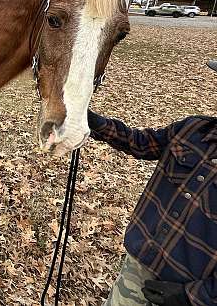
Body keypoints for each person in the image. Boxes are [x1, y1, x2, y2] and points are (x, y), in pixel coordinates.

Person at [88, 60, 217, 306]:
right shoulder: (193, 129)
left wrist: (191, 297)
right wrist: (95, 123)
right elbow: (141, 142)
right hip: (138, 270)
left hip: (191, 293)